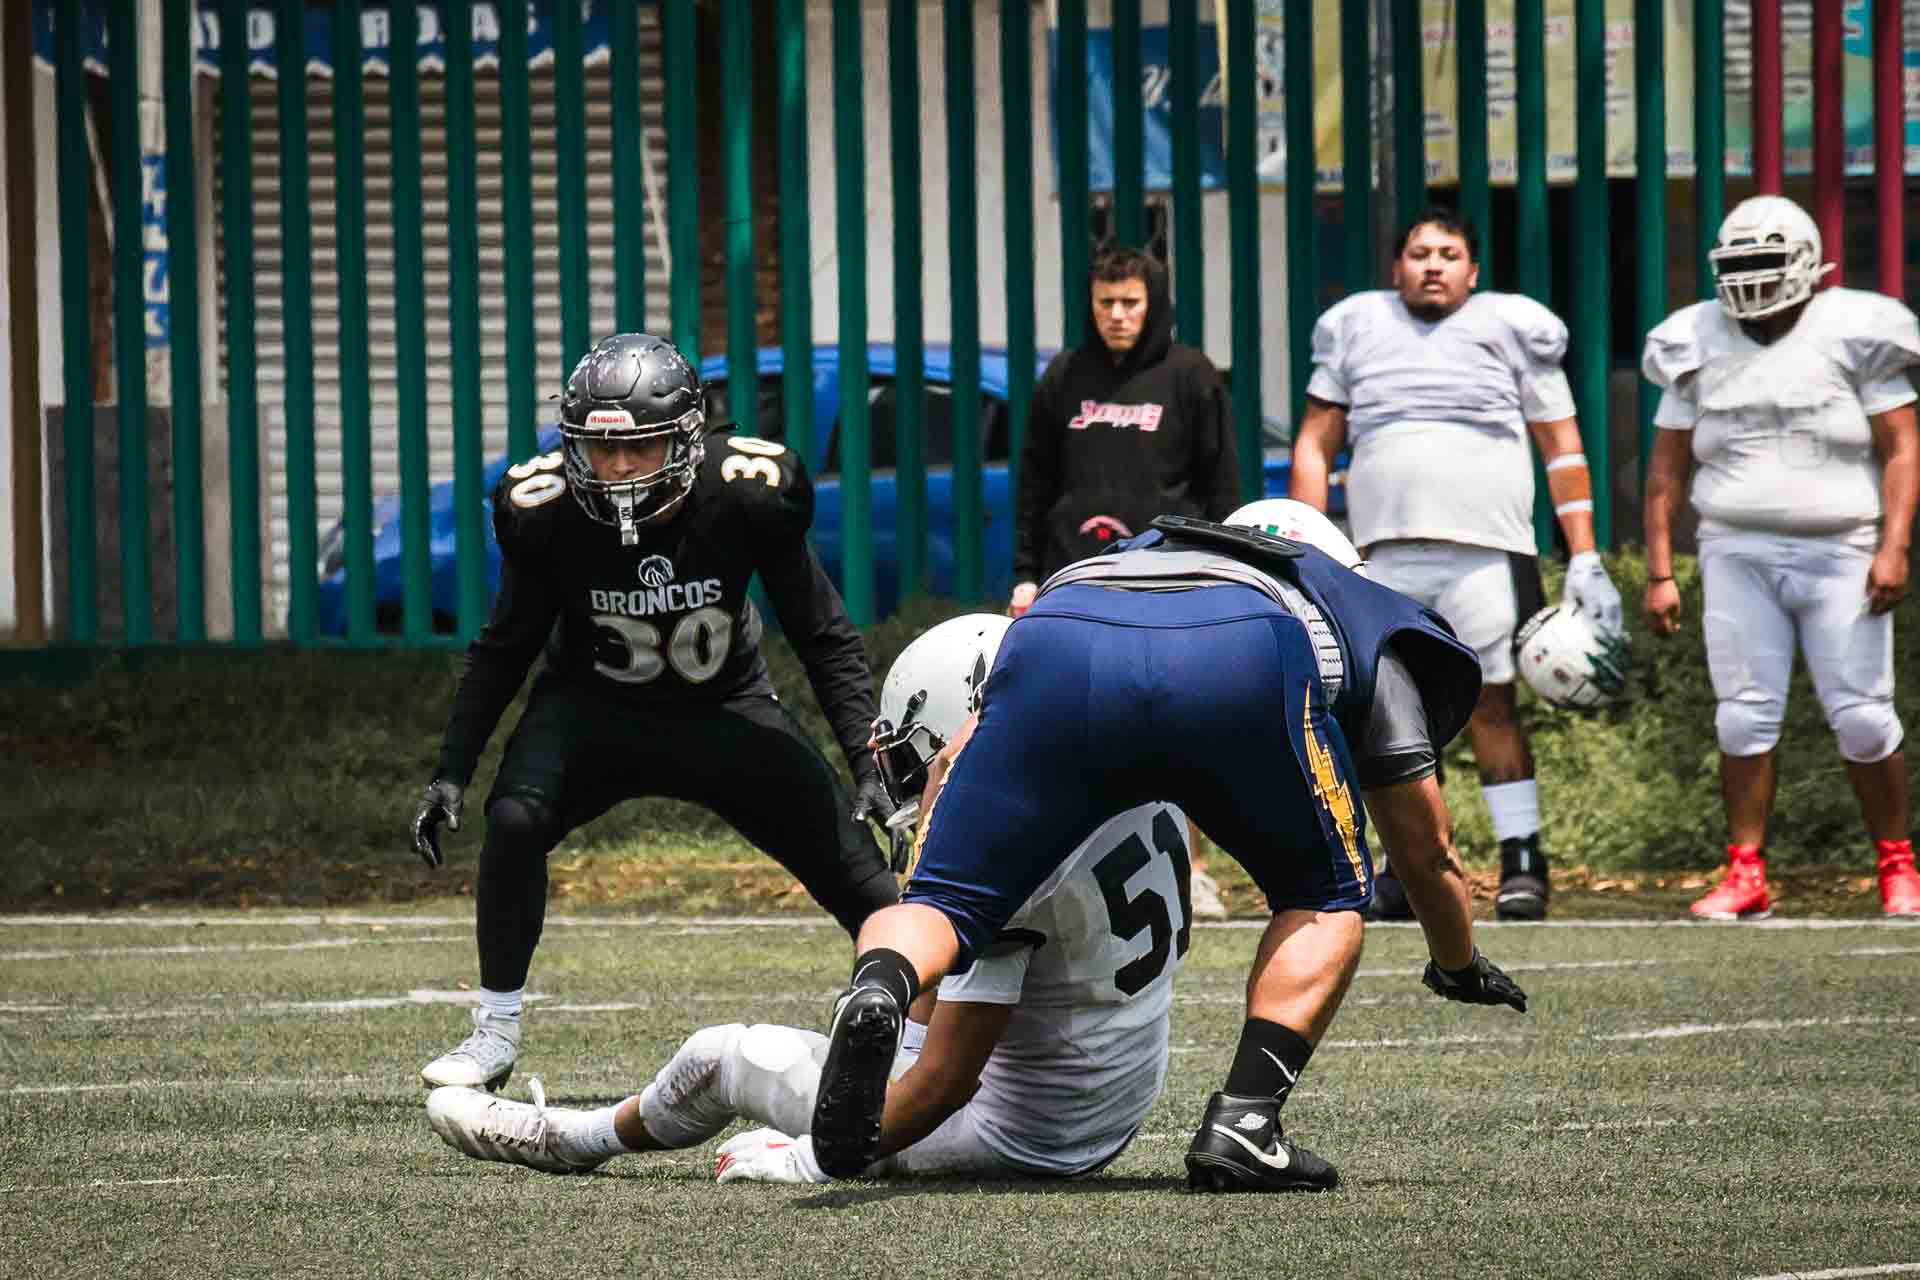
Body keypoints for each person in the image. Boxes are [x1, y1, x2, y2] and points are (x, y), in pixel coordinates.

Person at [806, 513, 1530, 1192]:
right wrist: (1457, 961)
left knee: (944, 905)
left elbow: (966, 741)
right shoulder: (1352, 609)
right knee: (1324, 898)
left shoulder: (1145, 552)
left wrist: (945, 849)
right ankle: (1246, 1121)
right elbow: (1426, 851)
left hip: (1058, 627)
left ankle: (881, 986)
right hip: (1242, 654)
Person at [422, 613, 1199, 1182]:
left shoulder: (1011, 842)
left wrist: (818, 1157)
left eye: (916, 758)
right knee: (881, 1011)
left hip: (1021, 1131)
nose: (910, 780)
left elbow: (945, 1082)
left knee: (722, 1057)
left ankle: (570, 1139)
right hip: (1106, 1097)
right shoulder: (1130, 772)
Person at [409, 333, 901, 1090]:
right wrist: (452, 771)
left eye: (638, 447)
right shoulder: (546, 512)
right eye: (600, 449)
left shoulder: (744, 493)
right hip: (593, 710)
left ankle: (917, 1022)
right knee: (513, 821)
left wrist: (867, 760)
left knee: (864, 879)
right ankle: (494, 1031)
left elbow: (821, 631)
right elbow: (506, 645)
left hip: (725, 708)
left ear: (687, 438)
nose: (616, 468)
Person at [1289, 206, 1623, 922]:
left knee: (1492, 705)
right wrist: (1308, 552)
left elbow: (1561, 446)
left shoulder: (1511, 328)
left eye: (1448, 254)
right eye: (1419, 253)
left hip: (1485, 550)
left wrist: (1585, 552)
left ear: (1474, 271)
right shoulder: (1357, 326)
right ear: (1396, 268)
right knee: (1387, 715)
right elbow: (1315, 446)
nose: (1432, 265)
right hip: (1382, 552)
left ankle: (1522, 861)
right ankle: (1407, 869)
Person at [1641, 194, 1920, 920]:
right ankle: (1746, 872)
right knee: (1742, 717)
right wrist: (1661, 571)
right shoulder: (1693, 338)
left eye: (1766, 262)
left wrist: (1894, 545)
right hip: (1736, 548)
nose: (1751, 279)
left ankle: (1897, 863)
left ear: (1805, 263)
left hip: (1842, 547)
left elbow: (1902, 447)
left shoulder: (1854, 329)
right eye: (1739, 264)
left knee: (1863, 717)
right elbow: (1666, 470)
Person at [1009, 245, 1242, 920]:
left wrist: (1226, 573)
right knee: (1073, 722)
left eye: (1130, 303)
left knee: (1178, 724)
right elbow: (1034, 484)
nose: (1116, 315)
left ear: (1154, 304)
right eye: (1105, 302)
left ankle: (1192, 868)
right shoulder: (1064, 375)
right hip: (1075, 579)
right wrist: (1025, 577)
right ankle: (1072, 869)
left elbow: (1221, 485)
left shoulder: (1191, 376)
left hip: (1171, 578)